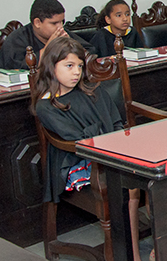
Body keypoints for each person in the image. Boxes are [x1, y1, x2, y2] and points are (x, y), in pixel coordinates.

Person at [30, 37, 142, 261]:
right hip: (75, 161)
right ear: (52, 67)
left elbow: (115, 122)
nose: (76, 72)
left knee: (152, 176)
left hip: (109, 151)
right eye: (69, 66)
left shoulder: (93, 91)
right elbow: (76, 139)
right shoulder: (46, 105)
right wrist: (103, 134)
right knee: (129, 185)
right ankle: (132, 255)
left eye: (80, 66)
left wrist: (111, 138)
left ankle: (136, 247)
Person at [0, 0, 95, 70]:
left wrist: (71, 45)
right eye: (54, 23)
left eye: (62, 22)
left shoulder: (62, 33)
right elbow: (17, 71)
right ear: (37, 23)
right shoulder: (16, 39)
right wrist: (48, 49)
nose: (60, 27)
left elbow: (91, 53)